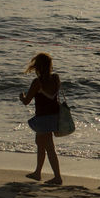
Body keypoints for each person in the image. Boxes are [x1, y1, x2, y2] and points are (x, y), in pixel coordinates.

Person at [20, 52, 62, 185]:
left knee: (48, 147)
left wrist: (22, 96)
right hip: (54, 116)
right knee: (41, 144)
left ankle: (57, 177)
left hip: (43, 117)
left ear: (38, 67)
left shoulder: (37, 82)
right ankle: (37, 172)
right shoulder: (55, 78)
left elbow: (27, 101)